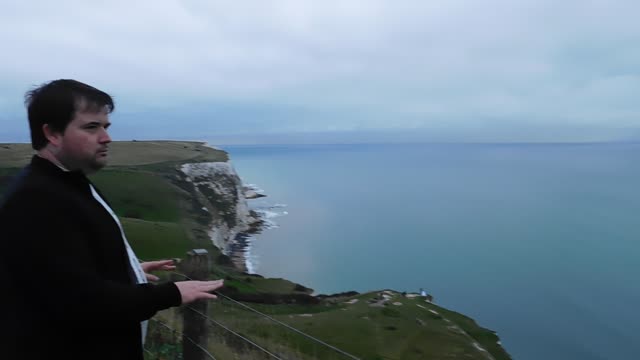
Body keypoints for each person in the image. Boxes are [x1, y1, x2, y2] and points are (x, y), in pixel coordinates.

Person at [0, 79, 224, 360]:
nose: (106, 138)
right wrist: (172, 293)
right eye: (91, 127)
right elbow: (82, 302)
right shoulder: (36, 199)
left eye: (106, 127)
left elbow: (55, 272)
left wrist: (127, 270)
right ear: (52, 133)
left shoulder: (69, 182)